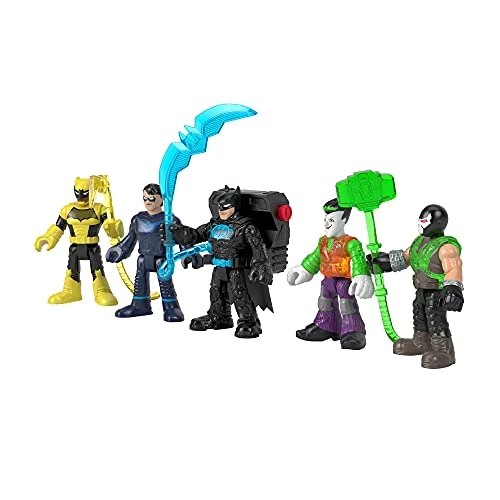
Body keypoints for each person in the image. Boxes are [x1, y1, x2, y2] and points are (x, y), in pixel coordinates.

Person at [367, 204, 463, 369]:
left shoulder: (446, 248)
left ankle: (444, 350)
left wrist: (453, 289)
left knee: (435, 318)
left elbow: (453, 269)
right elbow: (406, 257)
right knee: (420, 315)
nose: (421, 224)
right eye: (421, 221)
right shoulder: (419, 243)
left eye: (425, 221)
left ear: (438, 223)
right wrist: (385, 262)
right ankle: (421, 342)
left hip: (436, 291)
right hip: (421, 289)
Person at [287, 198, 374, 350]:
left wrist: (361, 275)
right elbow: (315, 257)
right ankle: (326, 325)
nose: (327, 224)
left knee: (347, 304)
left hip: (344, 281)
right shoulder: (323, 242)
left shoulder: (351, 243)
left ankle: (353, 330)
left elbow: (358, 259)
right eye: (325, 219)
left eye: (332, 220)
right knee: (324, 302)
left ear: (344, 220)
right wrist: (304, 269)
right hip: (328, 279)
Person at [35, 176, 121, 306]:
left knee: (97, 269)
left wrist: (113, 227)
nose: (81, 196)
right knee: (71, 269)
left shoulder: (99, 209)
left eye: (84, 192)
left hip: (92, 246)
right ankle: (71, 291)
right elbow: (59, 227)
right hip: (75, 246)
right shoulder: (68, 210)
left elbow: (112, 231)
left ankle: (102, 290)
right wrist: (48, 237)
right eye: (78, 192)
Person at [106, 183, 184, 322]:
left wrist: (187, 254)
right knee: (140, 281)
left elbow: (183, 237)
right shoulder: (138, 219)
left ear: (161, 199)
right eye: (145, 198)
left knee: (165, 283)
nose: (147, 201)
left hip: (162, 259)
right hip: (143, 258)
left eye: (151, 198)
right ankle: (140, 304)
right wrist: (119, 249)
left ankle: (171, 306)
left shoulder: (169, 219)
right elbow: (130, 239)